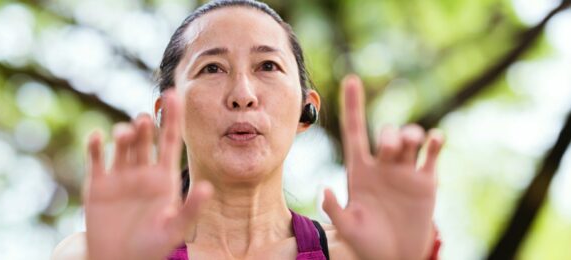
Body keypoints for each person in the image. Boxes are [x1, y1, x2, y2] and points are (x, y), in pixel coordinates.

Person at [51, 0, 444, 259]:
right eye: (212, 69)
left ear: (306, 110)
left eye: (268, 67)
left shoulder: (362, 254)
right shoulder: (96, 253)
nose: (243, 95)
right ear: (167, 114)